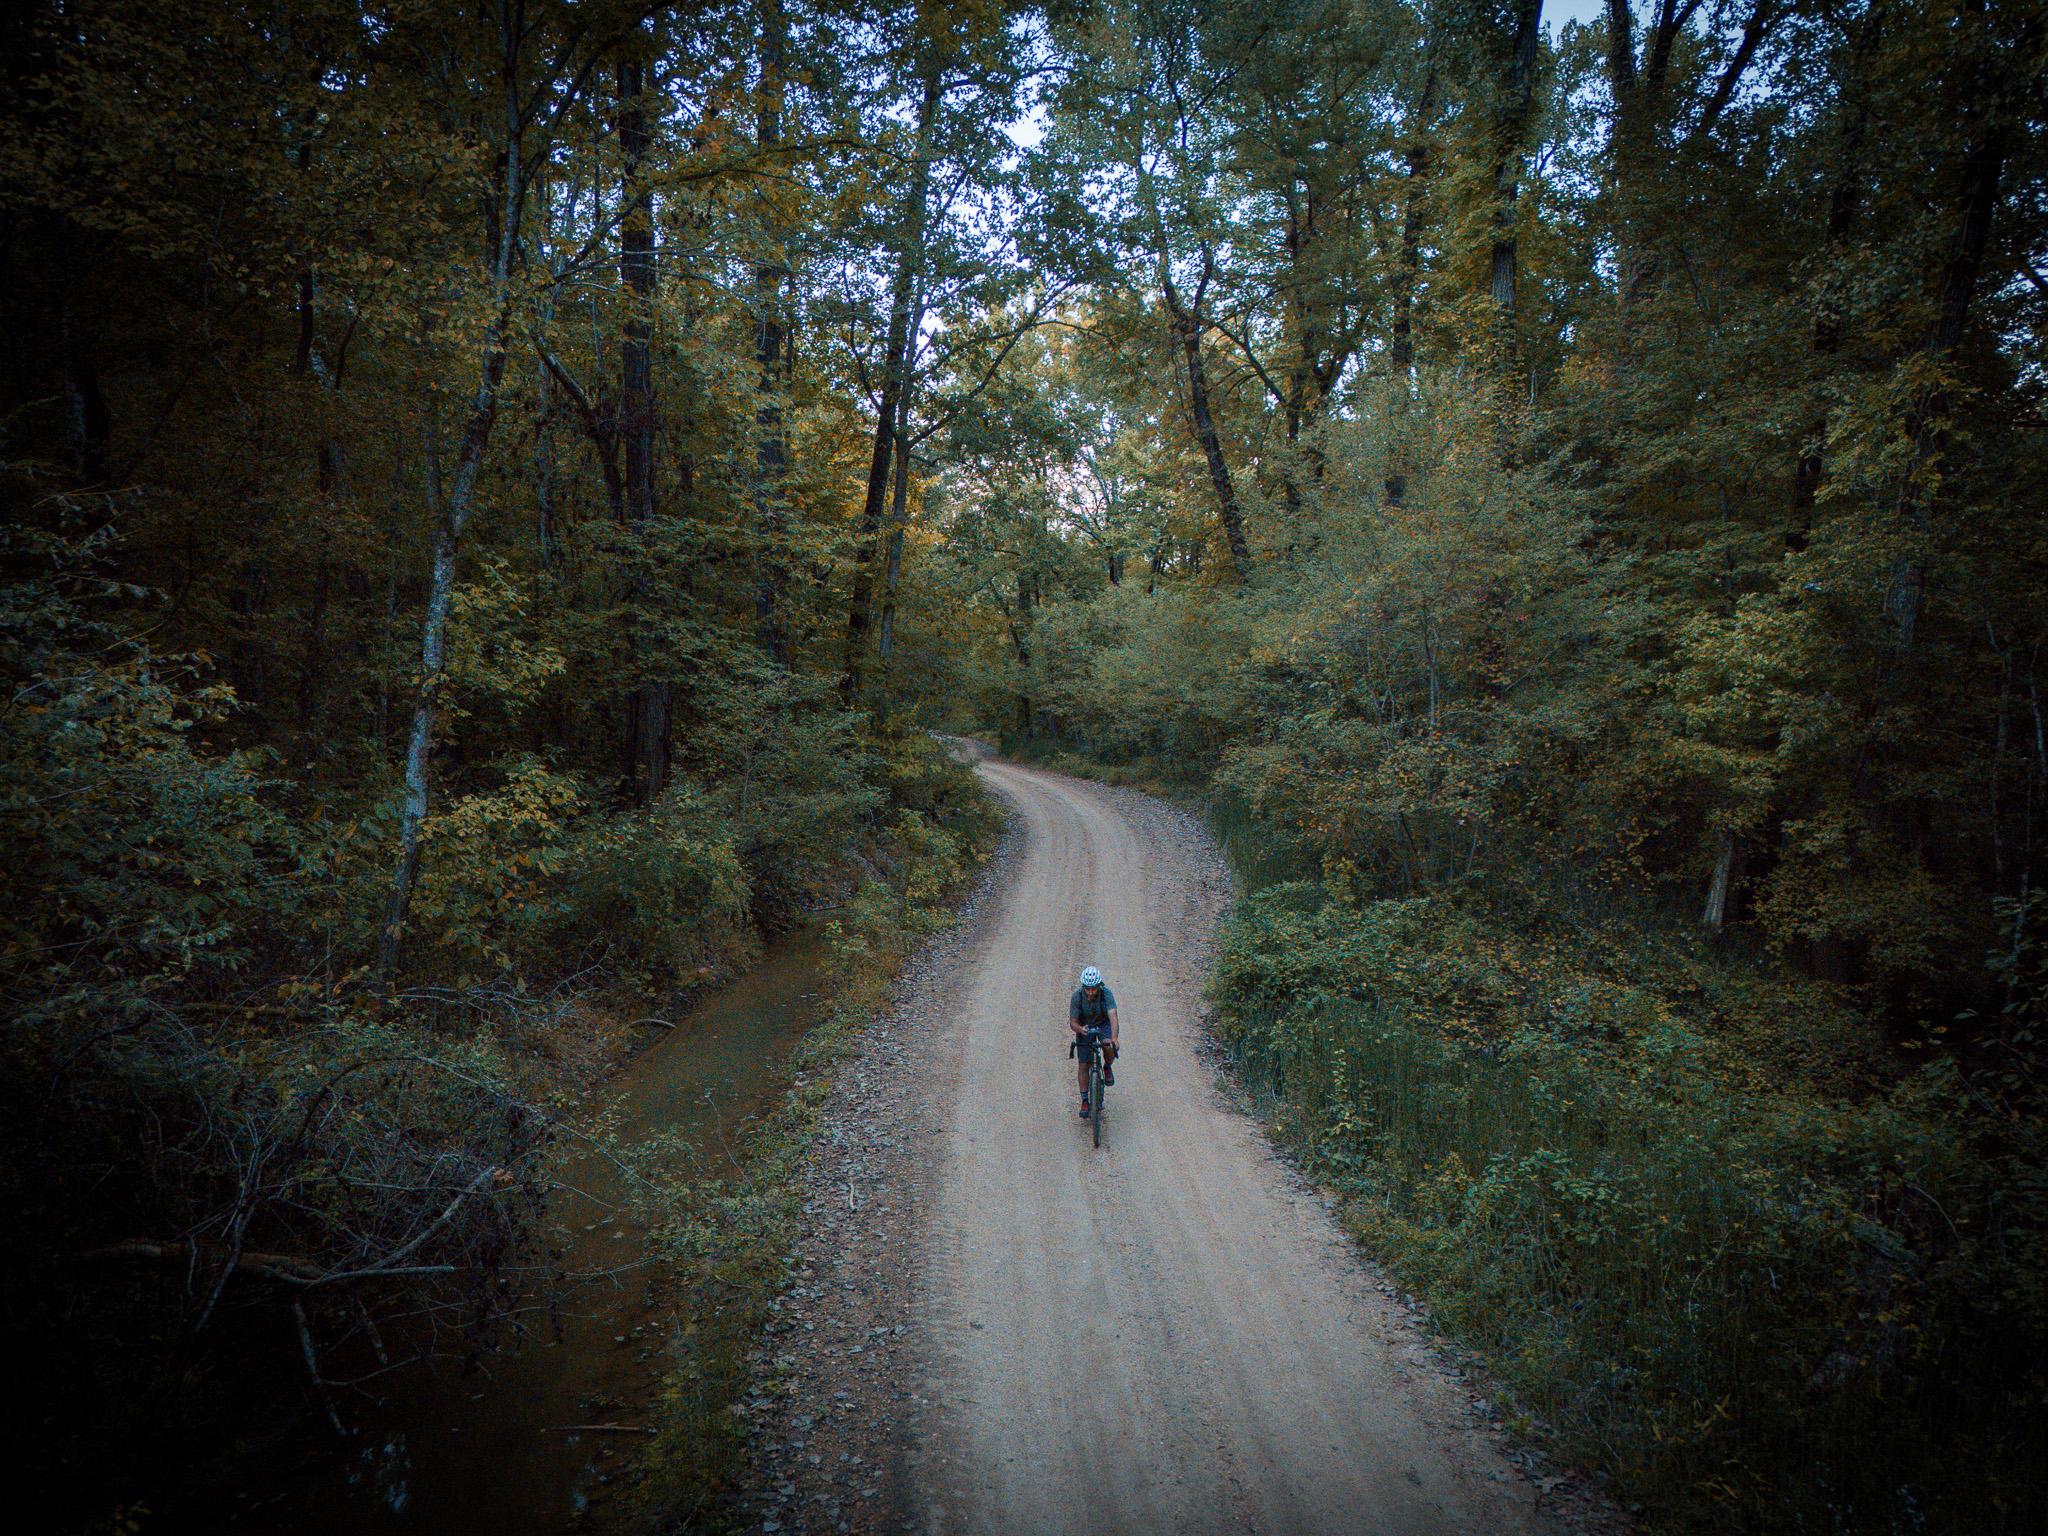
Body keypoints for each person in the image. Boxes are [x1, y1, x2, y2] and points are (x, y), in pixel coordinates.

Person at [1068, 965, 1119, 1118]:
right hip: (1085, 1026)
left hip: (1104, 1024)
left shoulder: (1106, 994)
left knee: (1108, 1045)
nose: (1090, 992)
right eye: (1087, 989)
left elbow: (1113, 1017)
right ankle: (1084, 1100)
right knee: (1083, 1063)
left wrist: (1114, 1039)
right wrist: (1080, 1029)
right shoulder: (1077, 997)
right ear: (1083, 987)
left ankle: (1107, 1066)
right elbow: (1073, 1022)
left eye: (1093, 988)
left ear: (1099, 986)